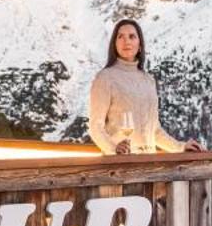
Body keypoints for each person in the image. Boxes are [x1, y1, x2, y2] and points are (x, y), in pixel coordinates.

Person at [86, 19, 202, 154]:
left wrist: (180, 147)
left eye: (132, 36)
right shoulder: (105, 78)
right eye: (120, 36)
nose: (126, 41)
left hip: (148, 163)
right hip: (119, 164)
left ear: (140, 44)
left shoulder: (148, 80)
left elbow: (155, 131)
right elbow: (95, 127)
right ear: (115, 44)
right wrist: (114, 149)